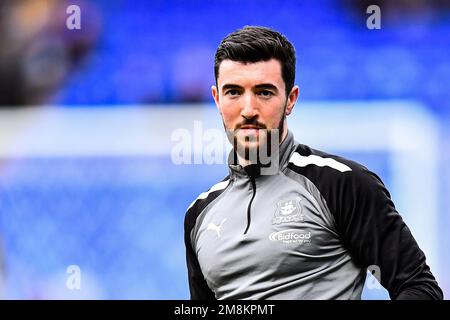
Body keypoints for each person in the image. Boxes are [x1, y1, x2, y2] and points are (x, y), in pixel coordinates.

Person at [184, 26, 443, 300]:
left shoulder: (343, 184)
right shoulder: (198, 215)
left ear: (290, 100)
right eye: (234, 92)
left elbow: (419, 288)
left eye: (264, 92)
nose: (248, 109)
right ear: (216, 99)